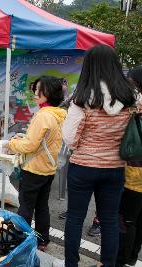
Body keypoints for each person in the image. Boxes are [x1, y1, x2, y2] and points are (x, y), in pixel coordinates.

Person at [62, 45, 139, 267]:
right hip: (115, 168)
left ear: (89, 67)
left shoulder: (82, 98)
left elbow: (69, 139)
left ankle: (71, 264)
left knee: (75, 219)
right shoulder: (131, 98)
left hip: (83, 167)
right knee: (109, 221)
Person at [8, 76, 66, 252]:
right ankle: (42, 241)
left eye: (38, 88)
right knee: (42, 207)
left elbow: (30, 145)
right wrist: (24, 139)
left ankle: (20, 242)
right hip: (48, 168)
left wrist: (12, 143)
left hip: (34, 168)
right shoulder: (59, 114)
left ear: (47, 93)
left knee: (26, 207)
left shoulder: (43, 115)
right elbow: (43, 141)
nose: (34, 92)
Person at [116, 66, 142, 267]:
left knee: (126, 220)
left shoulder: (137, 107)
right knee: (138, 219)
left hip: (135, 175)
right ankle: (132, 257)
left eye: (132, 82)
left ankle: (120, 260)